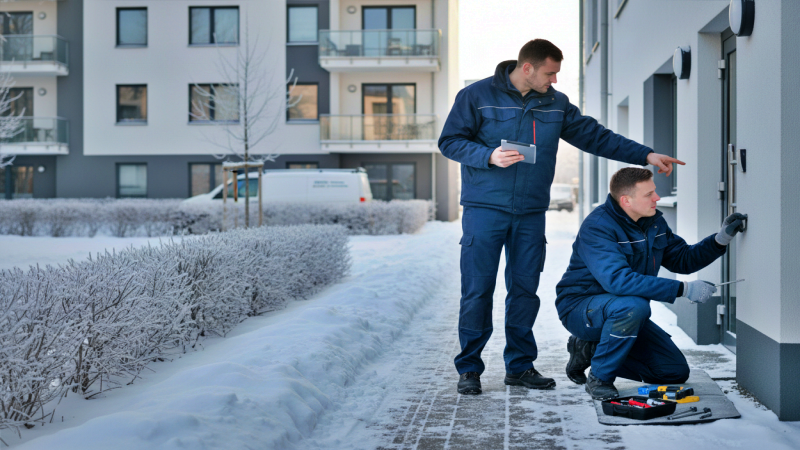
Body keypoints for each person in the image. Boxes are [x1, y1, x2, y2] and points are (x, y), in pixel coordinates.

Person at [438, 38, 684, 395]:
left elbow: (596, 137)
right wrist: (488, 156)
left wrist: (645, 155)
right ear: (527, 68)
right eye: (549, 73)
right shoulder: (476, 96)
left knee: (524, 291)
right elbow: (450, 142)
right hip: (484, 210)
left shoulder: (556, 104)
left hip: (531, 212)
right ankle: (470, 370)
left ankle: (519, 367)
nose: (553, 80)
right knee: (477, 290)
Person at [555, 167, 747, 400]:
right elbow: (618, 280)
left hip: (622, 310)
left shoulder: (653, 223)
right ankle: (600, 378)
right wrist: (684, 289)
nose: (657, 198)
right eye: (649, 194)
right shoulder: (598, 227)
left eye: (655, 192)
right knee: (635, 307)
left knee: (672, 371)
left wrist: (720, 240)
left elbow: (683, 259)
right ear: (626, 200)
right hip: (581, 308)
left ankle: (590, 349)